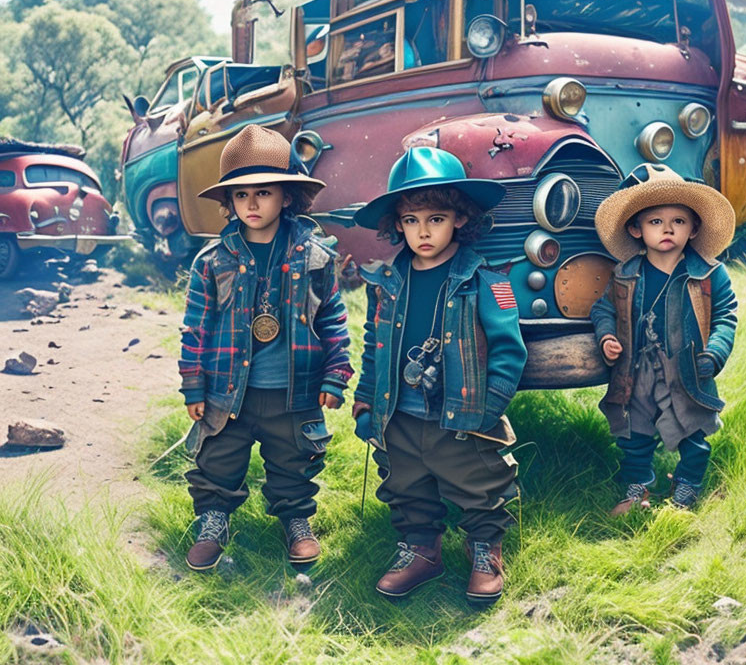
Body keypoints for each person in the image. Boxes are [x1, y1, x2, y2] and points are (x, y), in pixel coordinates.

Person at [351, 147, 527, 602]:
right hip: (401, 412)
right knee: (405, 481)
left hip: (465, 412)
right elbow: (375, 346)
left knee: (479, 482)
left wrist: (489, 408)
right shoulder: (386, 283)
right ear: (397, 224)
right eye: (411, 221)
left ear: (460, 219)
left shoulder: (488, 280)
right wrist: (367, 399)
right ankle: (420, 549)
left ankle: (485, 546)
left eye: (435, 218)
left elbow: (510, 350)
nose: (423, 231)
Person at [178, 124, 353, 571]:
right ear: (228, 203)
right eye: (240, 195)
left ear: (287, 197)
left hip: (293, 389)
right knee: (217, 459)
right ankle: (214, 520)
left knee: (293, 460)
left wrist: (337, 373)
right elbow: (195, 328)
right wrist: (194, 384)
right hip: (227, 390)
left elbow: (332, 317)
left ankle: (296, 520)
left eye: (263, 192)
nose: (251, 204)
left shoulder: (316, 257)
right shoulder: (212, 262)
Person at [589, 163, 738, 514]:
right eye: (656, 221)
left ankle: (686, 485)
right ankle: (637, 487)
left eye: (679, 221)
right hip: (637, 368)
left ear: (694, 228)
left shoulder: (708, 274)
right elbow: (603, 309)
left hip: (687, 368)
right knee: (633, 433)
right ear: (636, 229)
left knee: (694, 430)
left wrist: (714, 354)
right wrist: (607, 335)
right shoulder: (626, 274)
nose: (668, 229)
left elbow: (726, 316)